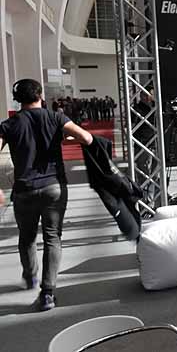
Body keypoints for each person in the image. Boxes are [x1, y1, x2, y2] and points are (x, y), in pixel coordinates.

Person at [0, 79, 93, 311]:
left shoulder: (9, 124)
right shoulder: (55, 117)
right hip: (54, 187)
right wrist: (63, 137)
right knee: (53, 237)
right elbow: (87, 138)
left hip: (24, 190)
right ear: (40, 95)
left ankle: (30, 275)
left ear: (17, 99)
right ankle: (48, 293)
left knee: (27, 237)